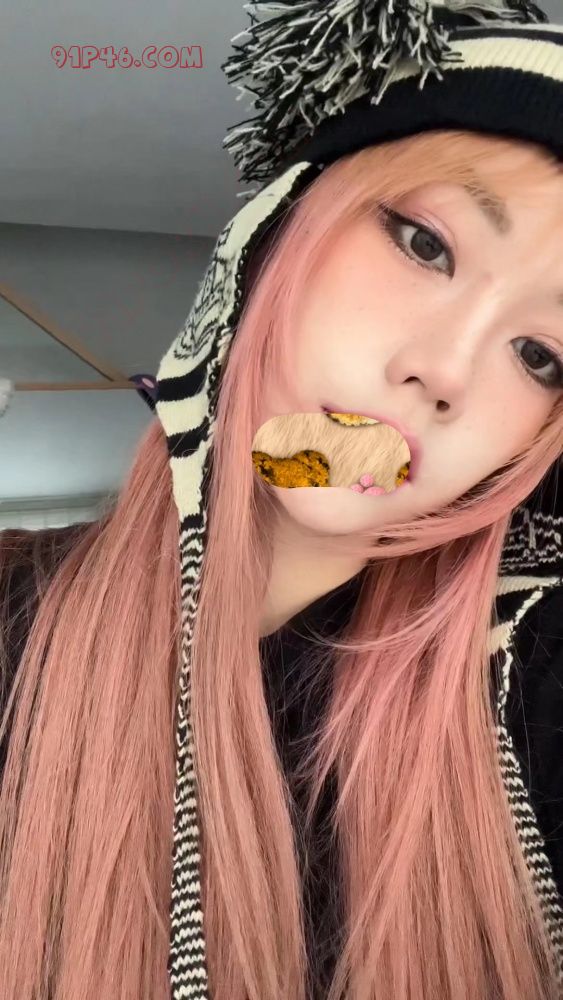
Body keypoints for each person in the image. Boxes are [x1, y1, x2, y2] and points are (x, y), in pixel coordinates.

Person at [0, 1, 562, 998]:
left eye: (540, 355)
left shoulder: (528, 690)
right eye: (423, 244)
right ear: (274, 234)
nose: (441, 372)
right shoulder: (14, 621)